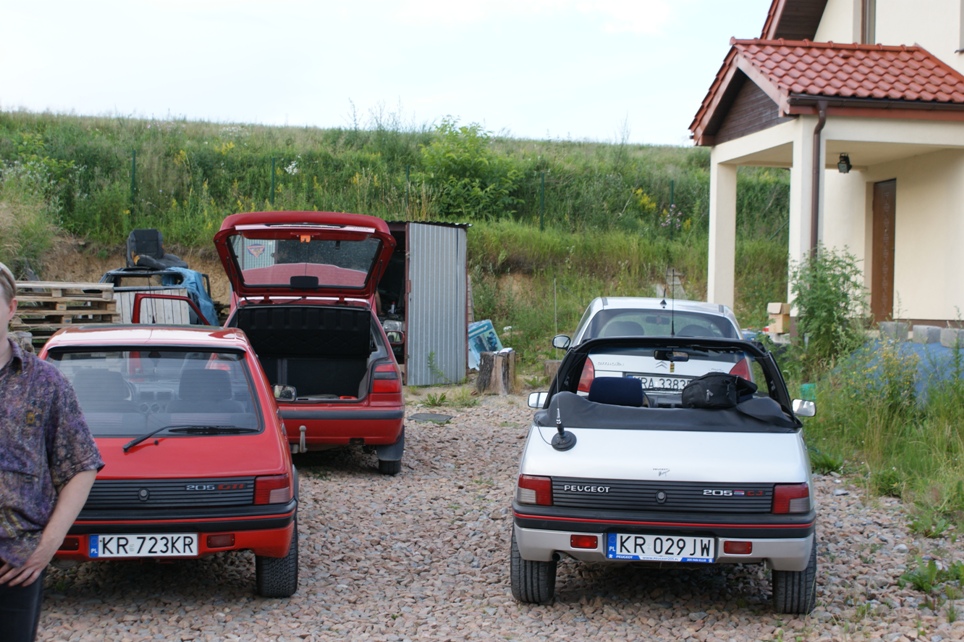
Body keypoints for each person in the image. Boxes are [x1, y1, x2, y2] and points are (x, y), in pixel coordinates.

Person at [0, 262, 103, 642]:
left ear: (11, 308)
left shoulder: (44, 383)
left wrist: (49, 545)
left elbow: (82, 465)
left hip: (16, 564)